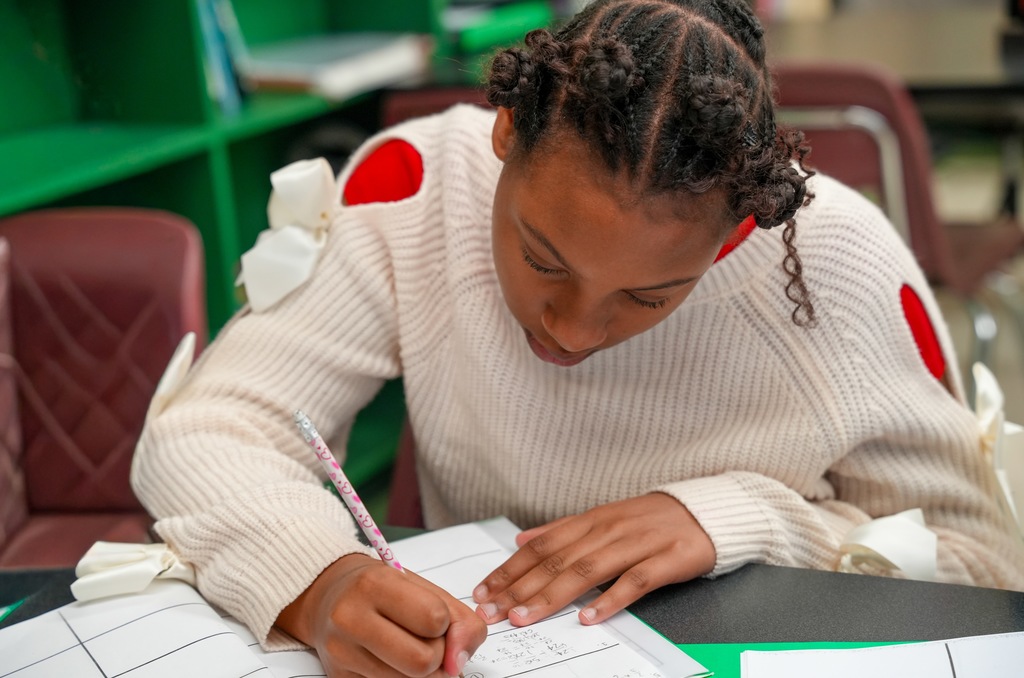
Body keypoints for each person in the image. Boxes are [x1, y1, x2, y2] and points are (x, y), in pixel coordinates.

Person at [132, 0, 1024, 676]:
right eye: (542, 259)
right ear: (506, 132)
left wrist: (744, 518)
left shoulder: (833, 261)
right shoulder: (417, 186)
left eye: (651, 294)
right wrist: (314, 579)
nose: (571, 328)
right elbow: (210, 429)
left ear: (737, 232)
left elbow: (981, 568)